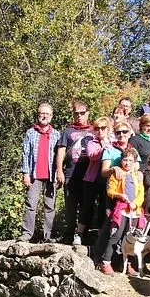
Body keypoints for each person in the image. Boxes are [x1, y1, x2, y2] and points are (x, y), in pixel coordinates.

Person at [96, 147, 144, 275]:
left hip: (134, 210)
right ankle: (105, 262)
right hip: (121, 209)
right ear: (121, 161)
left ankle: (129, 264)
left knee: (130, 237)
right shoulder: (116, 175)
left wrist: (136, 203)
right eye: (125, 160)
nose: (127, 163)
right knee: (116, 235)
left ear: (135, 162)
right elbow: (110, 191)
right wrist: (119, 195)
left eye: (130, 160)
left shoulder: (137, 176)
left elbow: (141, 193)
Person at [19, 103, 60, 243]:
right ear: (38, 115)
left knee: (50, 206)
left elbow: (60, 156)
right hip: (34, 175)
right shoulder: (30, 132)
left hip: (51, 175)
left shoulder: (56, 134)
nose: (44, 116)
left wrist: (59, 174)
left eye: (47, 114)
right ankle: (26, 234)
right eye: (42, 113)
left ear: (51, 116)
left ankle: (49, 236)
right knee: (31, 204)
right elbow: (25, 154)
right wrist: (25, 173)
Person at [55, 101, 94, 245]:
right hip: (71, 172)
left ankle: (83, 234)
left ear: (88, 113)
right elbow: (61, 152)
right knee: (70, 205)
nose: (79, 116)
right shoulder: (67, 131)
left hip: (89, 173)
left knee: (86, 205)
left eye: (82, 113)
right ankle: (70, 233)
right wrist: (60, 170)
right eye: (76, 113)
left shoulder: (94, 129)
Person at [78, 116, 113, 245]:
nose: (100, 131)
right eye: (97, 128)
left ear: (108, 129)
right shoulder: (91, 142)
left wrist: (107, 145)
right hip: (91, 179)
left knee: (104, 208)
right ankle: (80, 233)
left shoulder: (113, 142)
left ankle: (100, 234)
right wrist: (104, 147)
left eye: (103, 128)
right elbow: (92, 156)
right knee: (87, 206)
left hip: (106, 180)